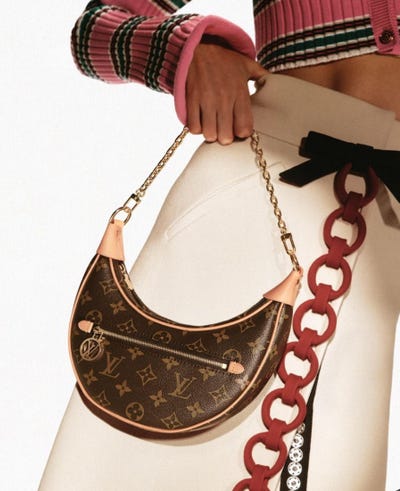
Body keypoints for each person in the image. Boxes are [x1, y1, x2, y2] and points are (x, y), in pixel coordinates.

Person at [39, 1, 400, 490]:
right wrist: (185, 53)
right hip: (259, 175)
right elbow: (96, 29)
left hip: (386, 229)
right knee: (144, 459)